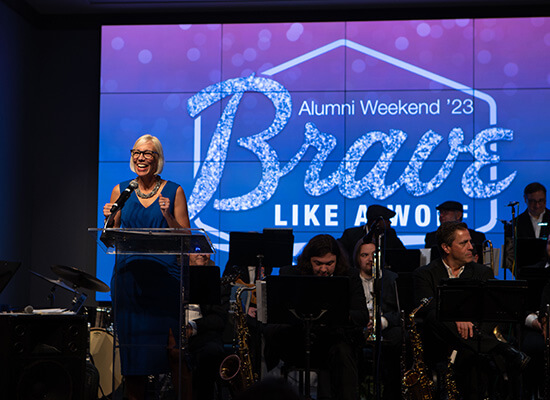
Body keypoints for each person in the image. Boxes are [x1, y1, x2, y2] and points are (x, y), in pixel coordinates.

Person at [103, 134, 226, 400]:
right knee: (133, 361)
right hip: (129, 281)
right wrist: (110, 217)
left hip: (164, 282)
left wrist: (168, 214)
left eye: (147, 153)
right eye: (136, 152)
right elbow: (109, 236)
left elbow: (185, 237)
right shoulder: (121, 191)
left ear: (157, 159)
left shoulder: (174, 191)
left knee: (174, 353)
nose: (140, 158)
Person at [413, 221, 530, 399]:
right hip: (441, 341)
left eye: (470, 241)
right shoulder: (425, 273)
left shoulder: (482, 272)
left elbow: (490, 311)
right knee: (434, 315)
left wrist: (467, 328)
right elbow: (426, 305)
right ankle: (501, 348)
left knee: (473, 349)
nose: (471, 247)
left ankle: (474, 347)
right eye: (464, 243)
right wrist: (455, 318)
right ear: (446, 247)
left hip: (470, 341)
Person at [265, 234, 369, 400]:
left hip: (335, 341)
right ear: (309, 261)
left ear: (337, 260)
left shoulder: (350, 275)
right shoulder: (292, 273)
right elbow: (277, 317)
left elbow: (362, 316)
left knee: (341, 352)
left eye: (329, 264)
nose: (323, 269)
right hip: (299, 341)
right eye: (318, 264)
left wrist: (338, 315)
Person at [352, 238, 401, 400]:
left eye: (374, 254)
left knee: (399, 340)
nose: (369, 259)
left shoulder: (392, 279)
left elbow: (400, 312)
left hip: (385, 331)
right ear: (357, 258)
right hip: (358, 331)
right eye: (364, 255)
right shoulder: (350, 279)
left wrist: (382, 322)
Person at [338, 204, 406, 265]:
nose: (390, 222)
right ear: (376, 222)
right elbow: (339, 250)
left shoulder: (390, 234)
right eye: (387, 219)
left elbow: (403, 255)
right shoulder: (351, 234)